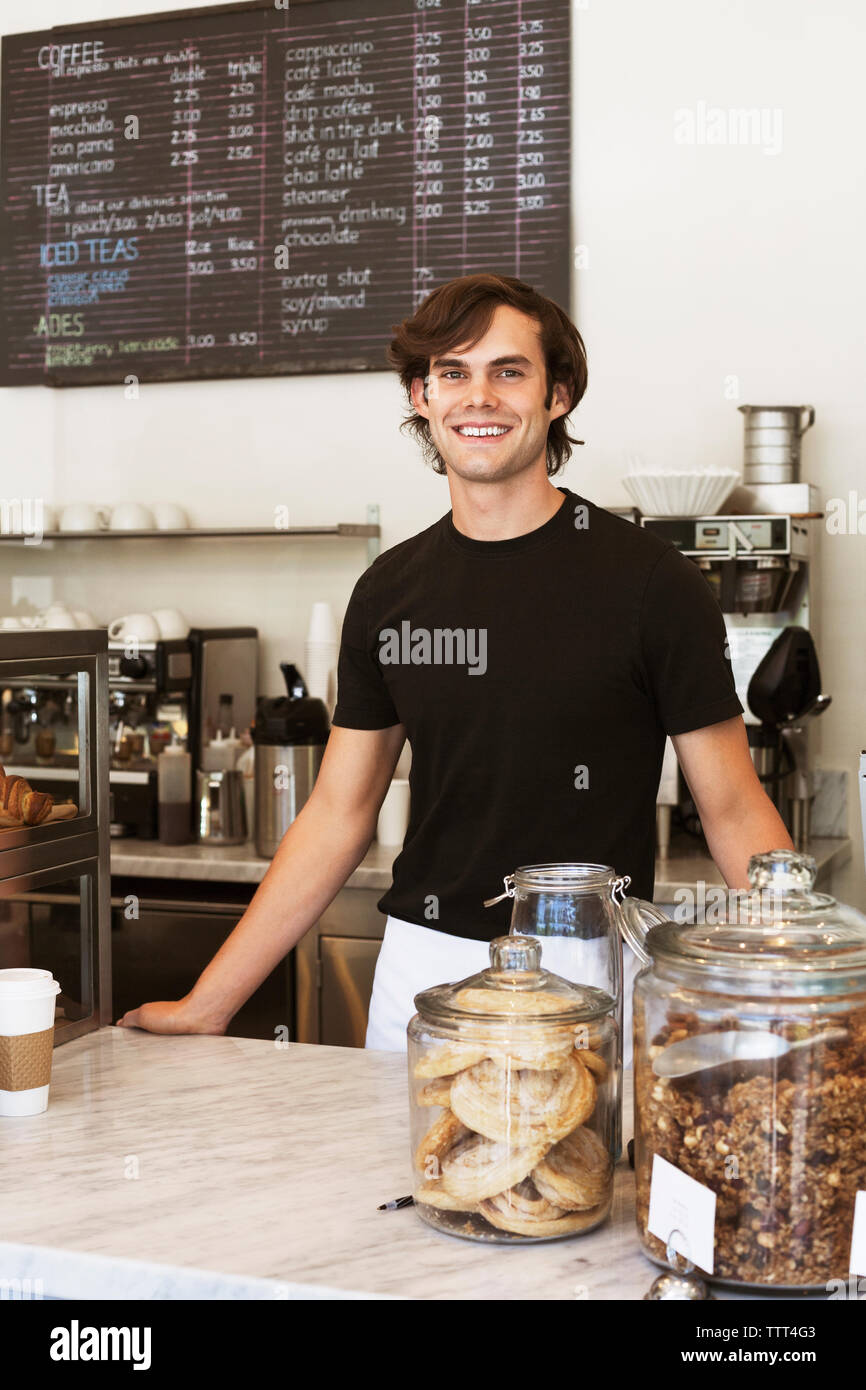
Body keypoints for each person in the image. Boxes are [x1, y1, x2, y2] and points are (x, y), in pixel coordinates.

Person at [118, 273, 793, 1048]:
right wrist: (210, 1003)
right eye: (452, 373)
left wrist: (812, 986)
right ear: (421, 397)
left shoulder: (652, 584)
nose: (480, 397)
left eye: (509, 371)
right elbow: (338, 814)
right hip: (423, 962)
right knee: (407, 1174)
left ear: (558, 395)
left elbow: (733, 811)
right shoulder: (390, 592)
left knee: (583, 1174)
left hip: (587, 969)